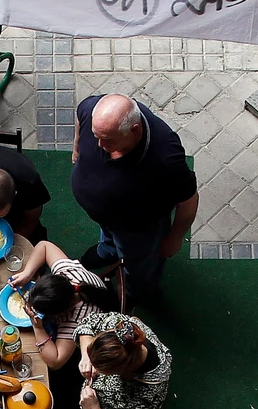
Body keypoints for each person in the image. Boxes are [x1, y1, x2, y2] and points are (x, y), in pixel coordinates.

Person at [70, 94, 198, 303]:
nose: (100, 144)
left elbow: (189, 199)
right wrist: (77, 147)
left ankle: (134, 292)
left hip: (139, 228)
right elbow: (80, 115)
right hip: (107, 217)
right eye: (96, 136)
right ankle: (108, 251)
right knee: (109, 234)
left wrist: (175, 238)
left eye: (108, 140)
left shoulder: (166, 158)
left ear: (134, 130)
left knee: (140, 266)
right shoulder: (93, 109)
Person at [8, 240, 116, 371]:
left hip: (98, 322)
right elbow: (44, 246)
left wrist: (38, 328)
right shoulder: (66, 273)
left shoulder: (76, 320)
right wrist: (27, 274)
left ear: (56, 314)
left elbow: (55, 362)